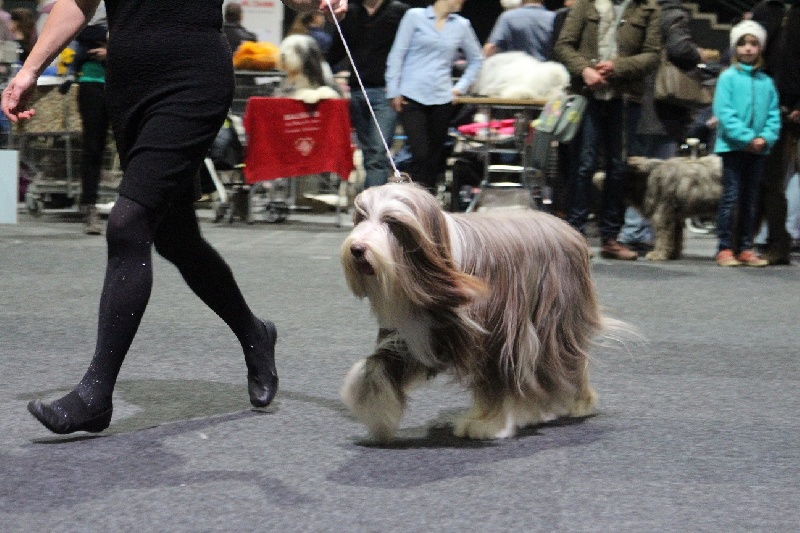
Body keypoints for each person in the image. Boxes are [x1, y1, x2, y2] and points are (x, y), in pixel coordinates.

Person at [1, 0, 348, 435]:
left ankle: (95, 394)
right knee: (175, 238)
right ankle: (255, 332)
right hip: (128, 88)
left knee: (128, 223)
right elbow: (79, 3)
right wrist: (30, 68)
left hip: (193, 79)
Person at [553, 0, 661, 260]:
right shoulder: (585, 5)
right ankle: (575, 236)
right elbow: (563, 45)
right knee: (583, 164)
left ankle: (611, 238)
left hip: (623, 98)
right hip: (587, 95)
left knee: (619, 168)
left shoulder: (648, 8)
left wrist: (617, 67)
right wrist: (585, 70)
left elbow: (653, 54)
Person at [619, 0, 716, 252]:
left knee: (639, 173)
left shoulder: (638, 10)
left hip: (638, 99)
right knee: (662, 182)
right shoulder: (674, 14)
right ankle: (644, 234)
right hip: (663, 106)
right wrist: (699, 54)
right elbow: (679, 49)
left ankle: (634, 231)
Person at [386, 0, 483, 195]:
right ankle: (414, 198)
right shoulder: (414, 17)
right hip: (411, 95)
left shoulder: (461, 25)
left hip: (442, 98)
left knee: (434, 157)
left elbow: (477, 59)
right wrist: (393, 90)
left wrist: (460, 88)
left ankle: (428, 202)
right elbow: (397, 54)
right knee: (420, 154)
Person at [712, 20, 781, 267]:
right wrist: (747, 138)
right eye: (743, 44)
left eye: (753, 44)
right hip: (733, 147)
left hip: (759, 149)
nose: (748, 49)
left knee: (751, 198)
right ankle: (724, 248)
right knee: (730, 197)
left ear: (760, 48)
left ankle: (745, 247)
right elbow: (724, 112)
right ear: (735, 48)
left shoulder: (767, 82)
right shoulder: (727, 78)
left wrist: (765, 138)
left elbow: (773, 115)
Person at [328, 0, 408, 190]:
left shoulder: (400, 12)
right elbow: (336, 51)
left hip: (386, 93)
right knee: (368, 154)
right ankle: (368, 202)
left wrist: (400, 86)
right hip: (357, 91)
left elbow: (411, 51)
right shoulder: (349, 12)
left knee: (377, 155)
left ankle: (372, 207)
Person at [751, 0, 800, 264]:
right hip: (767, 105)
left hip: (793, 104)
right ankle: (769, 243)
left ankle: (776, 243)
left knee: (775, 181)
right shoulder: (764, 10)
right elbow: (750, 53)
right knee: (768, 180)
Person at [483, 0, 555, 61]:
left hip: (516, 73)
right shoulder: (554, 18)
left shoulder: (507, 17)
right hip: (545, 73)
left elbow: (490, 48)